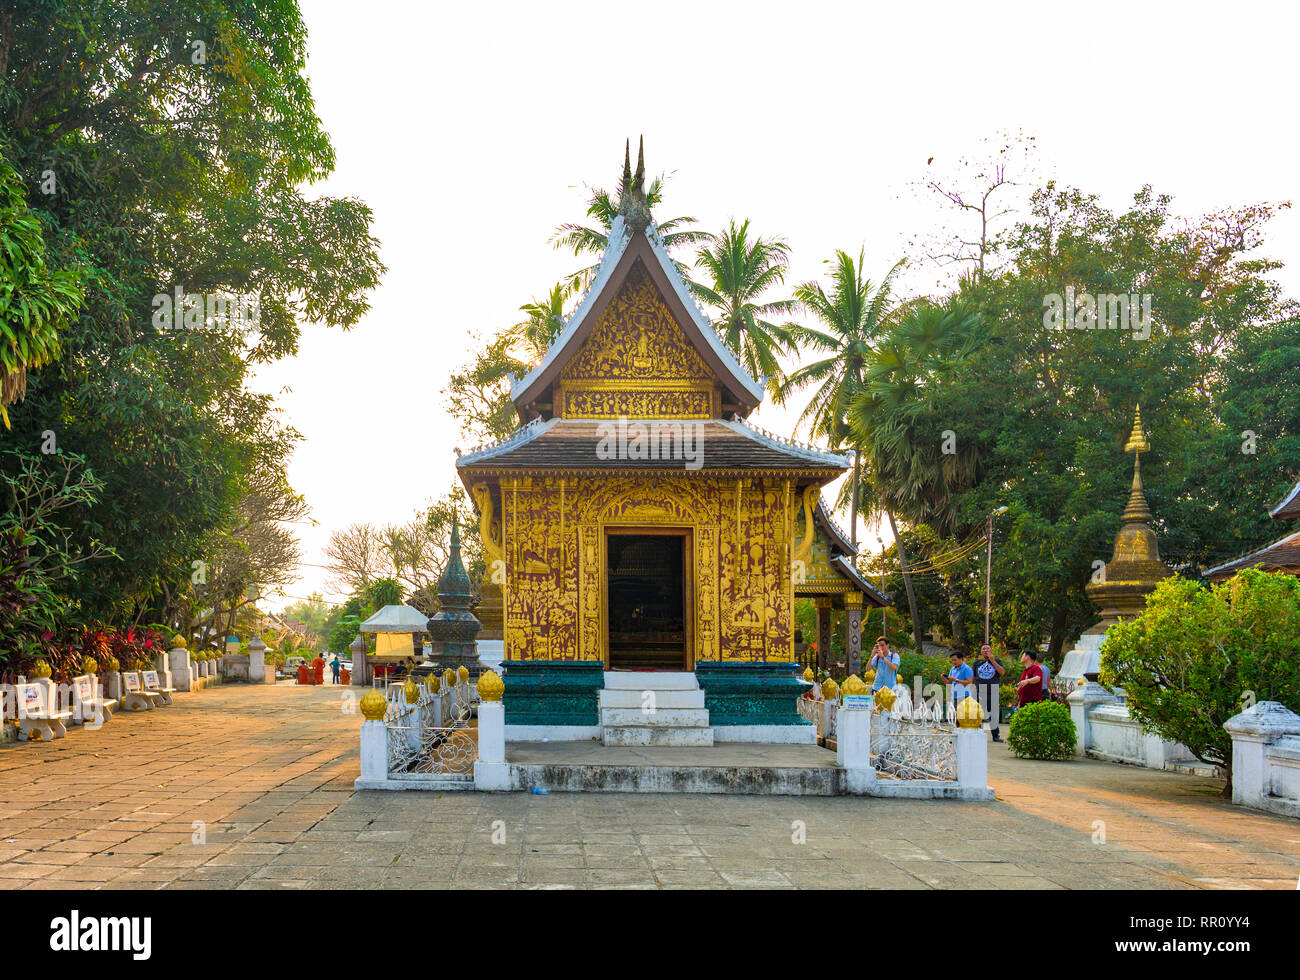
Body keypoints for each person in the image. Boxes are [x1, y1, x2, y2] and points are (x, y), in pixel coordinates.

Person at [972, 642, 1006, 741]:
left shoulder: (997, 661)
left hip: (993, 691)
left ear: (991, 651)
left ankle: (996, 736)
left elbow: (1002, 672)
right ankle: (978, 734)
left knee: (993, 714)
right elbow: (973, 677)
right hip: (980, 691)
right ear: (981, 652)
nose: (986, 650)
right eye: (983, 649)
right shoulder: (977, 663)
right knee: (979, 713)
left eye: (987, 648)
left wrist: (992, 661)